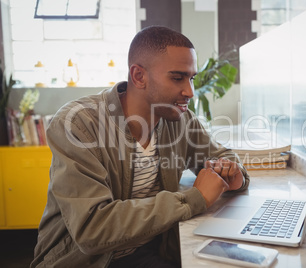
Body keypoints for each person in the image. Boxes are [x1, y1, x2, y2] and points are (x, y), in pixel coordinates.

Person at [31, 26, 249, 268]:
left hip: (149, 252)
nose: (190, 91)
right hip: (87, 261)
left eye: (192, 78)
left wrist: (233, 174)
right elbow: (93, 230)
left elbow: (221, 156)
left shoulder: (178, 118)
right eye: (177, 77)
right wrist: (193, 199)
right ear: (138, 76)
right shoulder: (78, 123)